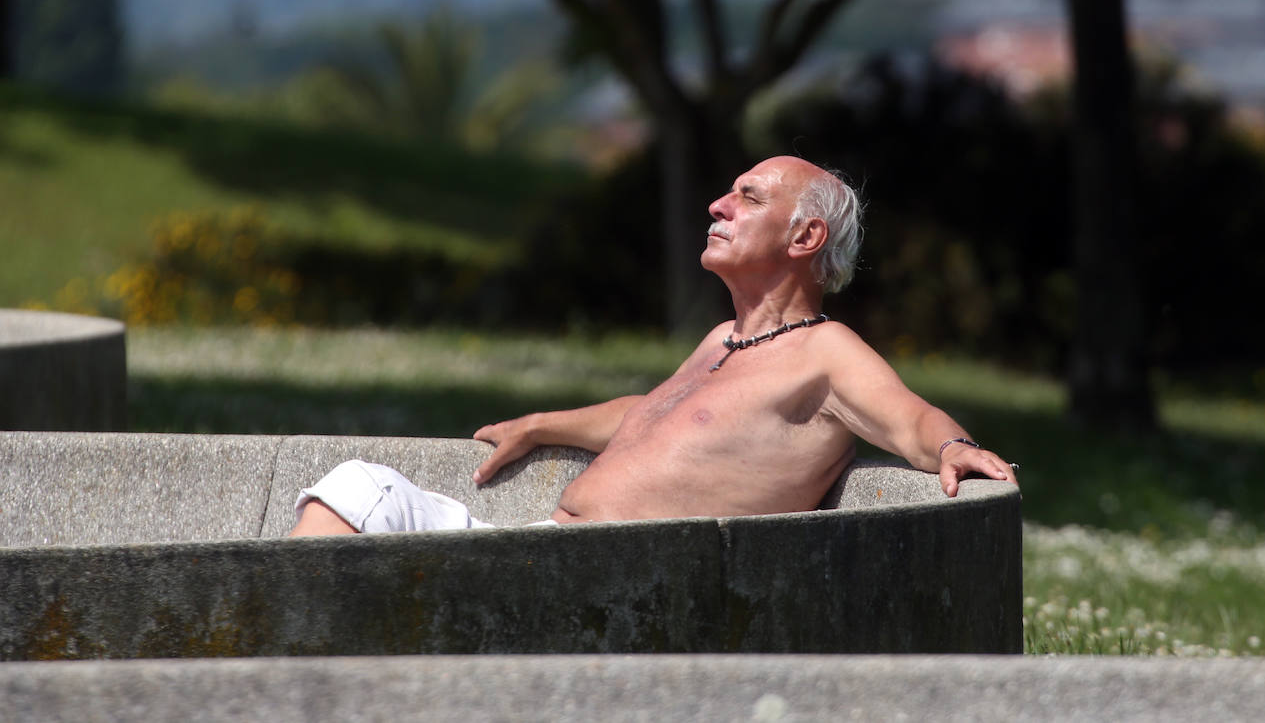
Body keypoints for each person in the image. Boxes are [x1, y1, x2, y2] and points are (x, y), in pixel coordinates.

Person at [290, 156, 1017, 535]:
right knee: (356, 487)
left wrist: (952, 448)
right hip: (536, 543)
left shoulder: (825, 353)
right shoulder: (723, 339)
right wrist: (543, 424)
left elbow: (906, 416)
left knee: (364, 495)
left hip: (603, 577)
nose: (719, 206)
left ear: (804, 237)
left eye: (748, 198)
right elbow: (662, 411)